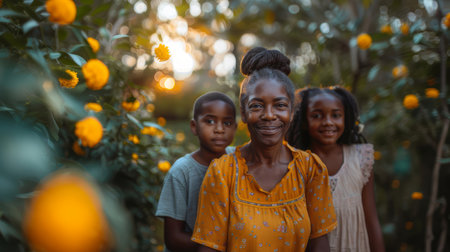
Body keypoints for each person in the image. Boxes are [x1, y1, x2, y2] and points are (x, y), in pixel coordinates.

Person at [191, 47, 337, 252]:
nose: (269, 115)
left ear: (292, 111)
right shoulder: (222, 173)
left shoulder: (310, 169)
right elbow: (209, 248)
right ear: (243, 112)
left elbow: (319, 245)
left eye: (279, 105)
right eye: (257, 106)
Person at [286, 87, 385, 252]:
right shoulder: (295, 163)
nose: (328, 122)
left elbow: (371, 219)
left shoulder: (361, 159)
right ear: (303, 121)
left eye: (336, 115)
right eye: (317, 115)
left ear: (346, 119)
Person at [155, 91, 237, 252]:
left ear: (234, 128)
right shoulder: (181, 172)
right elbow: (173, 238)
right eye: (210, 121)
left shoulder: (240, 160)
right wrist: (218, 244)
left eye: (227, 123)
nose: (219, 129)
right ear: (194, 126)